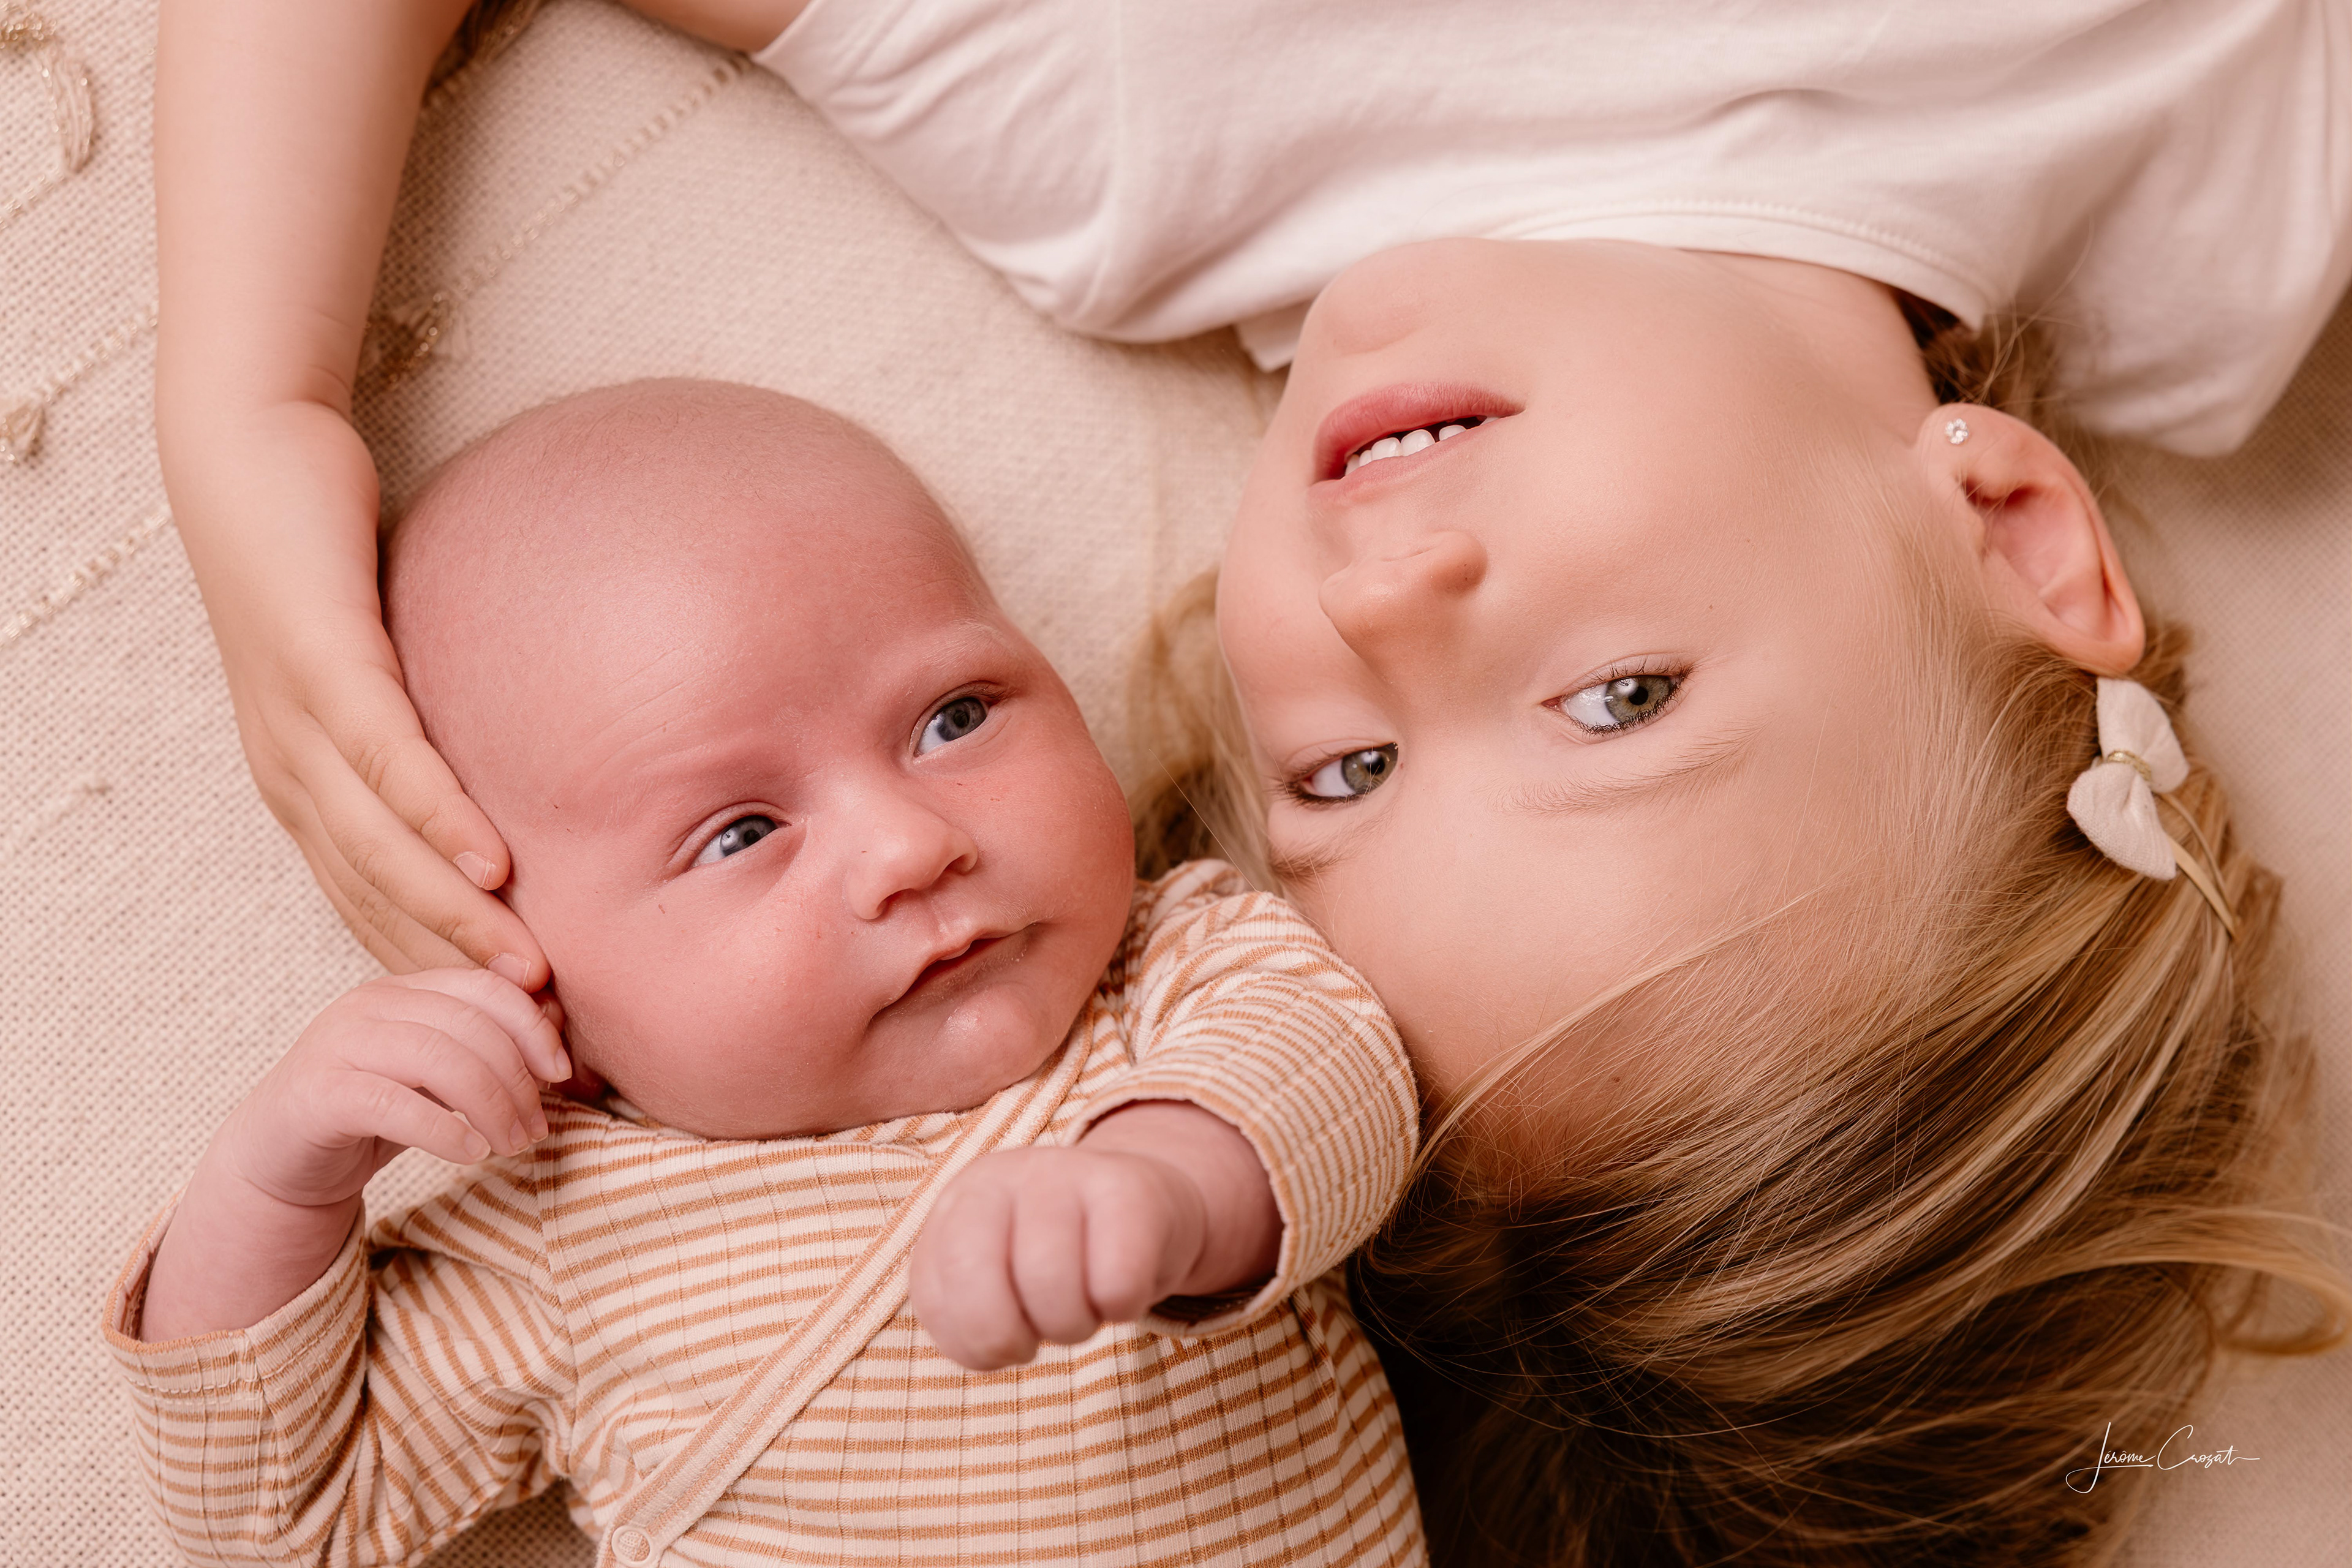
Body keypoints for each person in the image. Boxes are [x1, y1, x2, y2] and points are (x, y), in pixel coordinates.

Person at [151, 1, 2352, 1562]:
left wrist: (252, 408)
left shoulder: (1131, 120)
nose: (1382, 597)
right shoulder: (2236, 233)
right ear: (2016, 536)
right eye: (1619, 700)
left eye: (1347, 767)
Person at [105, 382, 1424, 1567]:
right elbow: (280, 1512)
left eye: (954, 716)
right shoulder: (563, 1228)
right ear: (526, 975)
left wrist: (1170, 1181)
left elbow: (1339, 1071)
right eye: (740, 834)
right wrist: (279, 1182)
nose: (910, 846)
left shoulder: (1169, 977)